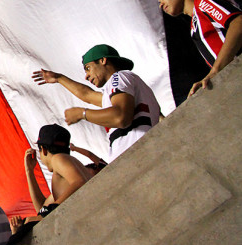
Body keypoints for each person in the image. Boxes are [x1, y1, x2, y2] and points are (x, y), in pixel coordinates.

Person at [32, 44, 161, 162]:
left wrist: (82, 113)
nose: (86, 76)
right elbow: (88, 95)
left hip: (137, 155)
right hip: (141, 153)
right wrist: (59, 78)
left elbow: (120, 116)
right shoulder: (126, 88)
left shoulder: (118, 77)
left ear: (103, 60)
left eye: (88, 68)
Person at [156, 0, 242, 96]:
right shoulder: (194, 25)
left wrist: (215, 71)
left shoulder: (202, 0)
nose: (161, 5)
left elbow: (238, 23)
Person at [24, 124, 92, 216]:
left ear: (43, 150)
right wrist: (29, 171)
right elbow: (41, 209)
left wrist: (52, 208)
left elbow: (80, 182)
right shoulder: (66, 183)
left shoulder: (57, 158)